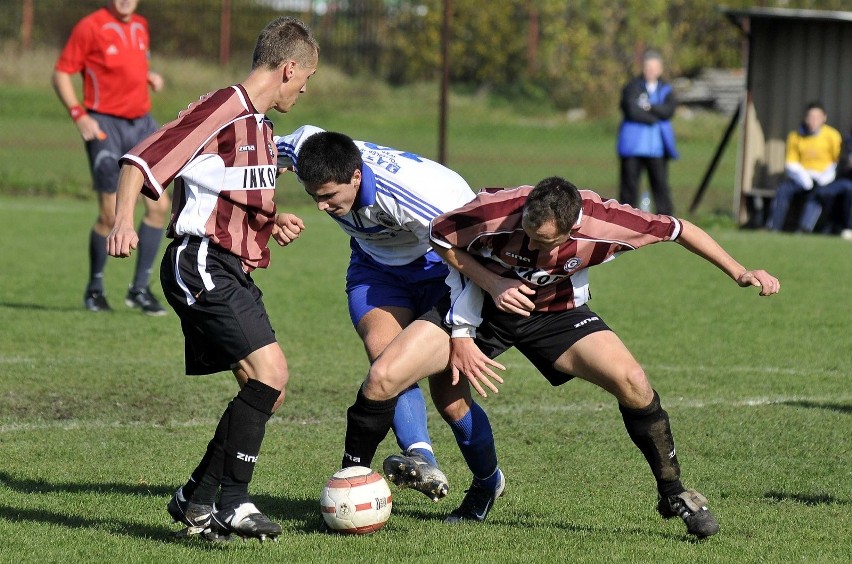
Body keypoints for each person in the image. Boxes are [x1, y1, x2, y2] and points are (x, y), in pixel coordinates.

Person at [339, 177, 781, 538]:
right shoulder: (496, 210)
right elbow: (439, 236)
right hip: (481, 305)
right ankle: (354, 480)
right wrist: (488, 289)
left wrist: (740, 271)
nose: (536, 249)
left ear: (574, 227)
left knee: (633, 381)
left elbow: (681, 229)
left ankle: (674, 491)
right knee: (387, 377)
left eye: (548, 242)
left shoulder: (609, 222)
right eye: (530, 236)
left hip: (557, 316)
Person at [107, 16, 319, 542]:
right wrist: (122, 220)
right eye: (306, 78)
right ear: (289, 67)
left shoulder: (262, 128)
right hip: (199, 260)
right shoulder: (223, 108)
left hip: (232, 268)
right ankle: (233, 502)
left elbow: (226, 192)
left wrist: (273, 219)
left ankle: (195, 499)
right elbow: (141, 159)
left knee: (267, 389)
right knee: (270, 374)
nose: (305, 89)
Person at [275, 125, 491, 501]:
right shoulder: (305, 148)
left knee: (451, 397)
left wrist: (463, 332)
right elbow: (248, 153)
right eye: (313, 197)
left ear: (356, 176)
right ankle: (421, 458)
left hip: (442, 269)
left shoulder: (420, 200)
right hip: (375, 269)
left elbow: (467, 259)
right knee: (386, 360)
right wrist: (268, 208)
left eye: (328, 197)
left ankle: (490, 481)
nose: (321, 207)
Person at [53, 0, 170, 315]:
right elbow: (61, 73)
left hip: (142, 123)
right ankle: (94, 288)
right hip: (105, 125)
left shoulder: (141, 25)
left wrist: (148, 77)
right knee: (109, 214)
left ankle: (139, 290)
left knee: (160, 206)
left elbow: (128, 66)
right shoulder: (90, 26)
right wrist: (79, 115)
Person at [617, 48, 678, 215]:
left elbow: (669, 110)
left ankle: (667, 222)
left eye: (654, 67)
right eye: (647, 67)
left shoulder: (666, 89)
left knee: (660, 186)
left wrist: (650, 107)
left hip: (657, 148)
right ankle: (625, 220)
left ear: (660, 69)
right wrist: (654, 118)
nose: (650, 71)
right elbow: (632, 110)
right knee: (629, 188)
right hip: (633, 147)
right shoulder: (632, 87)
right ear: (643, 68)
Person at [767, 101, 842, 232]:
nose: (812, 121)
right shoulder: (796, 136)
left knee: (817, 195)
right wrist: (804, 177)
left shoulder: (832, 135)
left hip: (823, 178)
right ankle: (774, 227)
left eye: (816, 117)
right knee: (783, 189)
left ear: (824, 118)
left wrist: (825, 177)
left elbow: (836, 162)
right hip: (802, 178)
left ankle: (804, 229)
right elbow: (791, 163)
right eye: (810, 117)